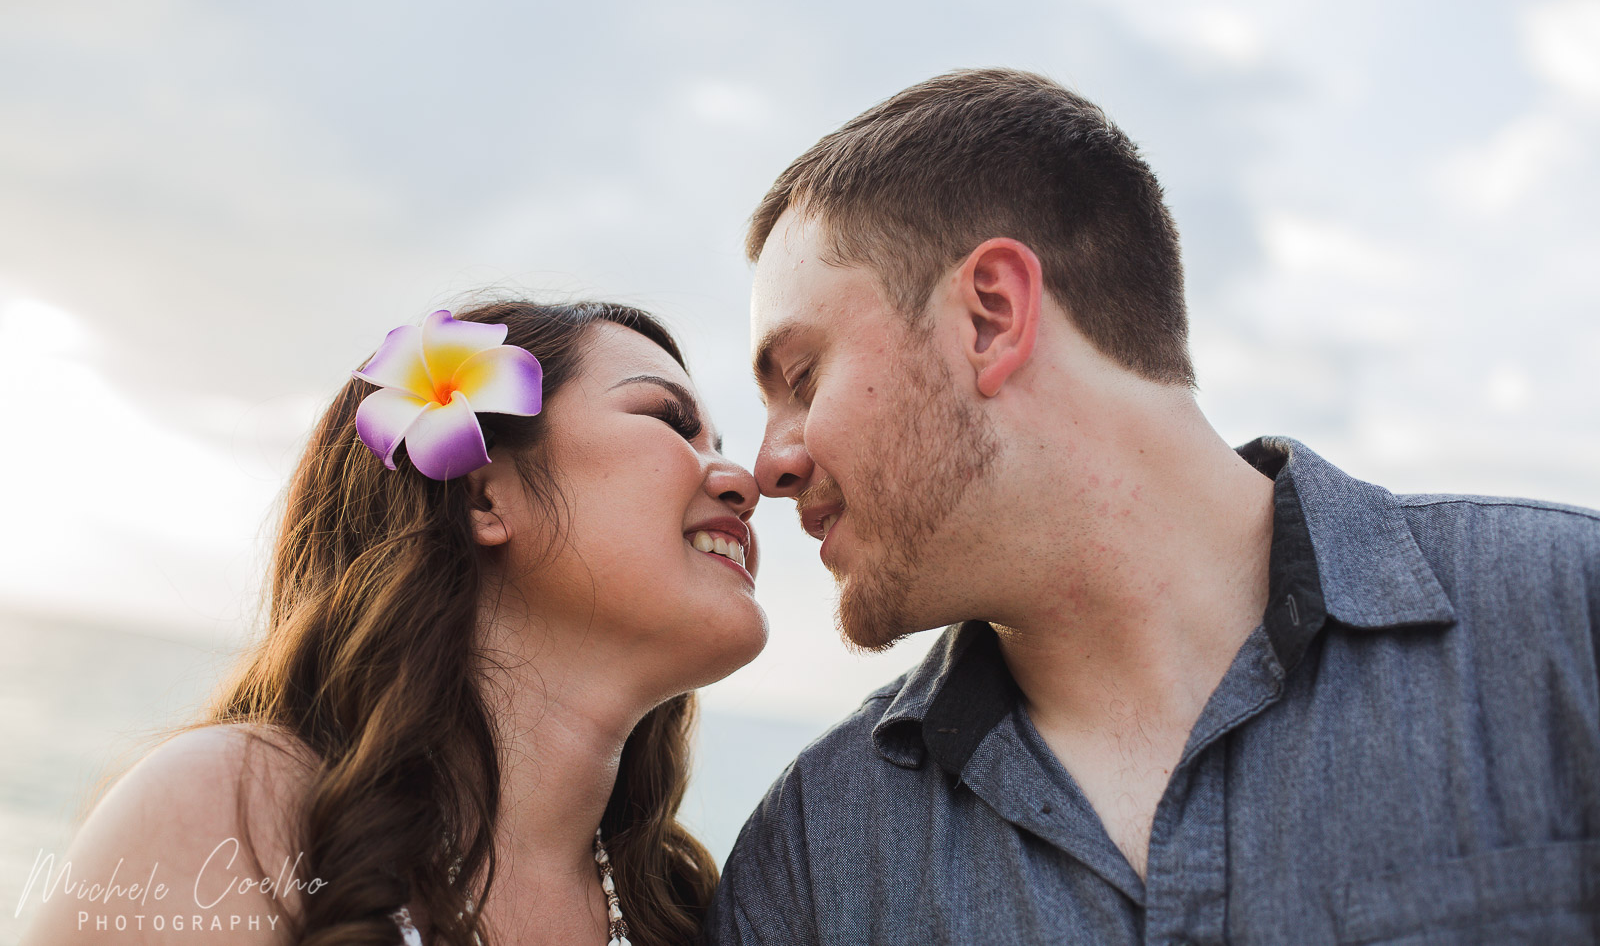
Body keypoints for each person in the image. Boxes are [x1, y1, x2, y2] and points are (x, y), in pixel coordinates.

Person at [708, 68, 1600, 943]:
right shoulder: (812, 860)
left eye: (802, 377)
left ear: (990, 314)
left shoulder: (1569, 622)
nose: (768, 464)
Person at [24, 300, 767, 946]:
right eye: (671, 422)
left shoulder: (690, 910)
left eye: (723, 448)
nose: (745, 482)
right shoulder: (243, 813)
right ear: (482, 497)